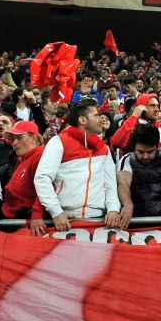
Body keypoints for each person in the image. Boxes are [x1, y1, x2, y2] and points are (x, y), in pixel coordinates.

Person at [34, 98, 121, 231]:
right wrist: (56, 212)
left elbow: (110, 184)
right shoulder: (59, 142)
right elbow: (42, 178)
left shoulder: (104, 148)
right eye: (96, 115)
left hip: (98, 221)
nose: (101, 119)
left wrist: (113, 209)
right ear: (83, 120)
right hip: (66, 221)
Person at [117, 123, 161, 228]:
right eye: (141, 152)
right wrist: (127, 204)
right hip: (137, 215)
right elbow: (123, 183)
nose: (145, 156)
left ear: (157, 146)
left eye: (150, 151)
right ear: (134, 148)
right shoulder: (127, 159)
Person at [0, 120, 47, 236]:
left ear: (34, 139)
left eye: (19, 138)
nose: (14, 143)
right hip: (14, 220)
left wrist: (37, 213)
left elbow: (47, 186)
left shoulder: (40, 156)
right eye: (12, 139)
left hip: (26, 223)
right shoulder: (24, 158)